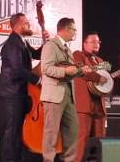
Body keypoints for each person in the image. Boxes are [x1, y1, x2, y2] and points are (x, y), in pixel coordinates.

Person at [0, 13, 48, 162]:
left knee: (17, 132)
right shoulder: (13, 43)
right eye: (27, 23)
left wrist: (46, 43)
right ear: (19, 25)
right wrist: (39, 81)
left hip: (20, 93)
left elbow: (36, 54)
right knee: (12, 132)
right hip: (13, 93)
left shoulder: (22, 42)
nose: (29, 26)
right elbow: (18, 70)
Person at [40, 17, 91, 162]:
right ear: (66, 29)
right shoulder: (51, 45)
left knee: (73, 131)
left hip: (68, 95)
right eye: (74, 30)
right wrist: (65, 72)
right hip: (54, 95)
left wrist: (81, 71)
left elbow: (71, 70)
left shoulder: (67, 48)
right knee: (51, 133)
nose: (75, 33)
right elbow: (46, 68)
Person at [73, 31, 108, 162]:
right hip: (84, 106)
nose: (97, 44)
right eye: (93, 41)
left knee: (100, 143)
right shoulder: (77, 55)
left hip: (99, 107)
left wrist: (108, 83)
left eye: (98, 42)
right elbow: (83, 72)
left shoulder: (100, 61)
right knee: (81, 141)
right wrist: (100, 78)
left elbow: (106, 83)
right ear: (85, 43)